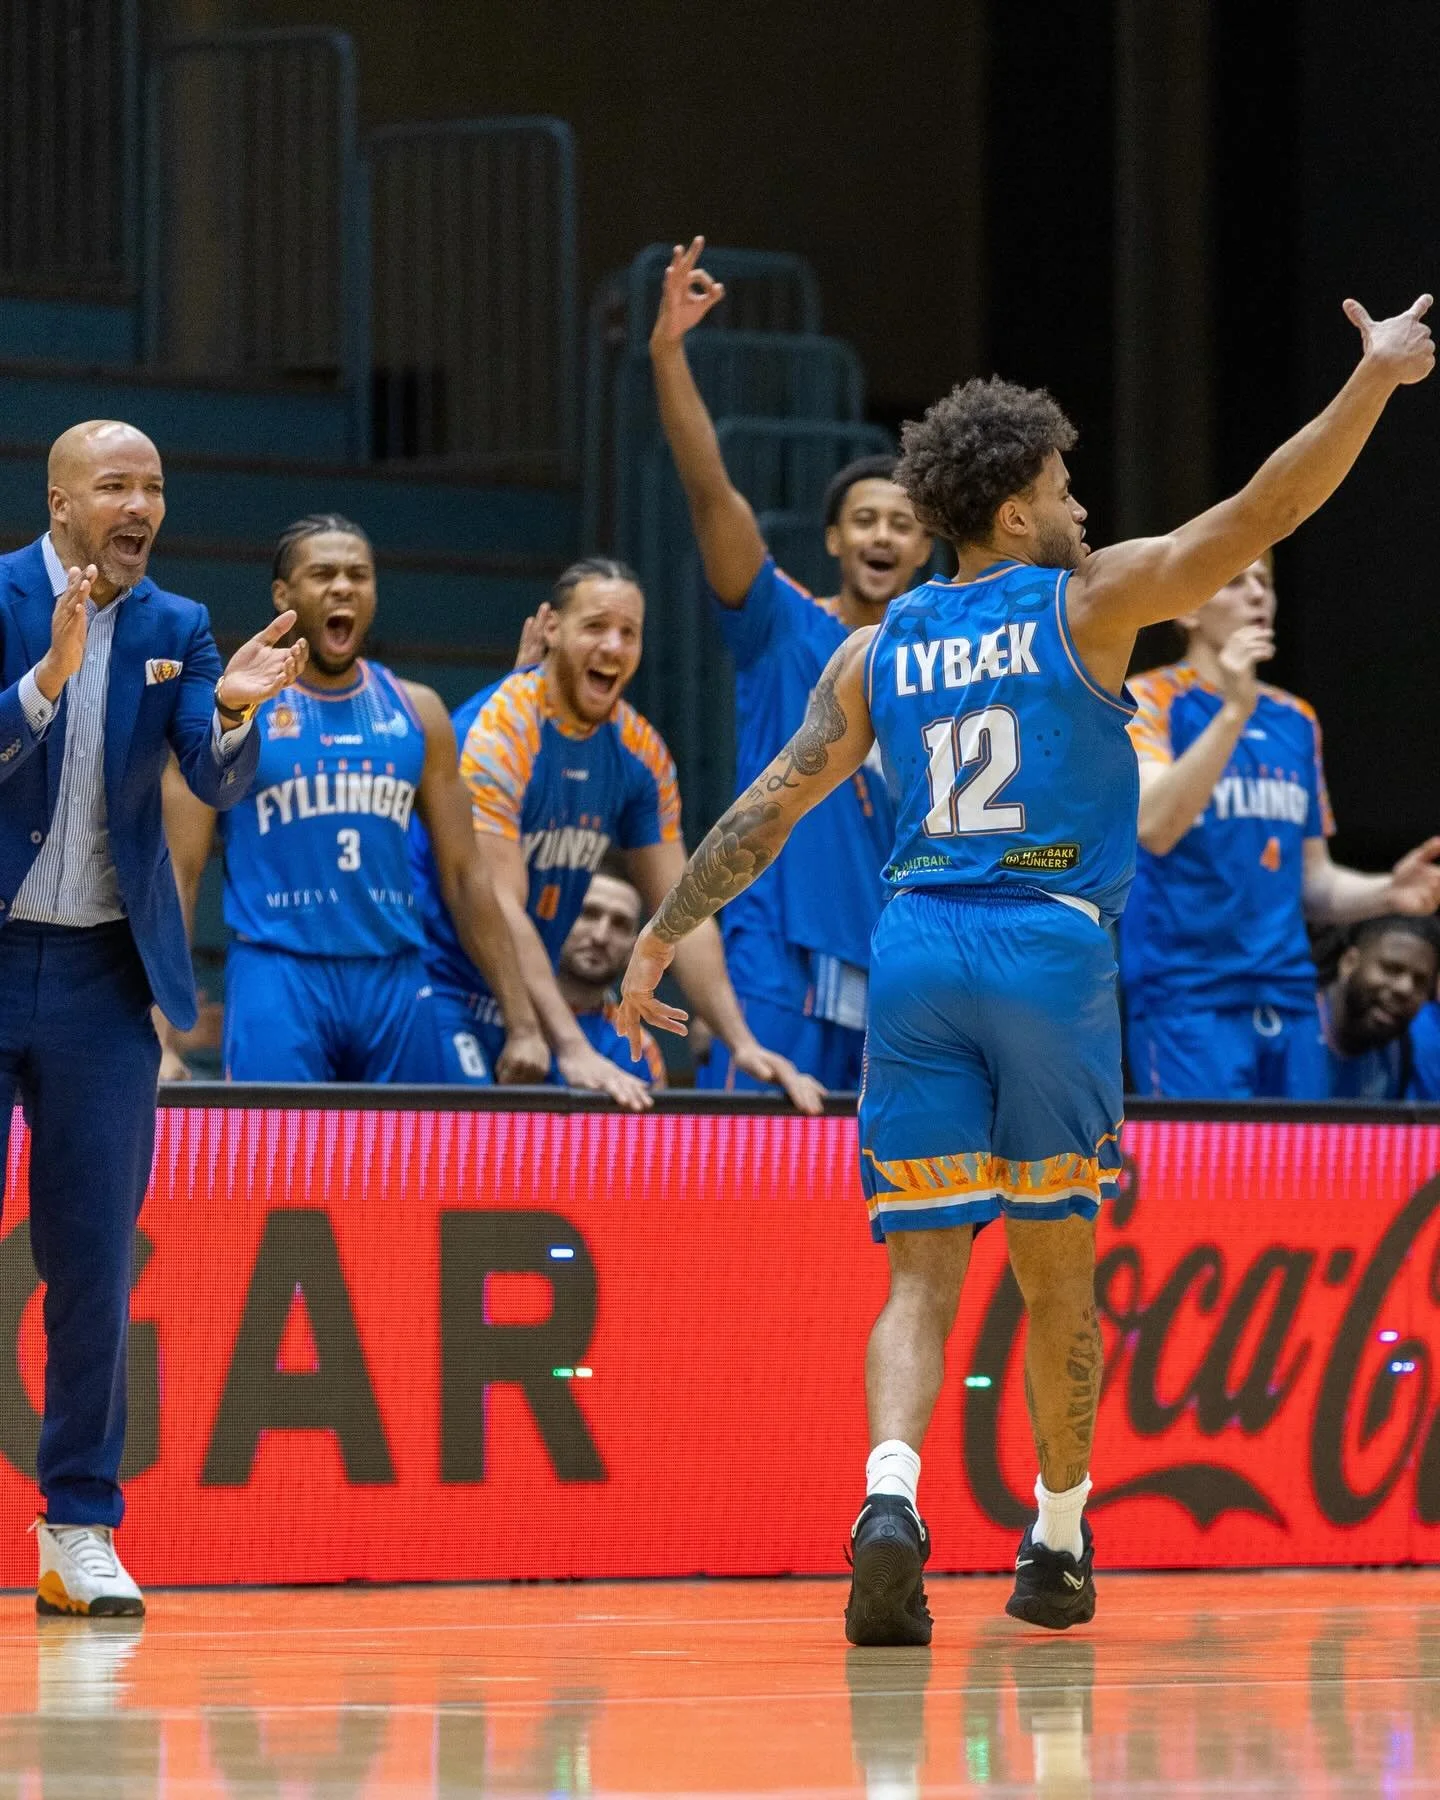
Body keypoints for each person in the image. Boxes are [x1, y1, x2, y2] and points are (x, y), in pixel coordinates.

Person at [617, 294, 1436, 1644]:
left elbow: (770, 804)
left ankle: (890, 1500)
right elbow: (1264, 512)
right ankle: (1056, 1540)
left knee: (918, 1274)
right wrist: (1377, 383)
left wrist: (661, 933)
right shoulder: (1089, 602)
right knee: (1057, 1274)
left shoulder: (878, 648)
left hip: (916, 950)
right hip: (1049, 945)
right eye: (1062, 486)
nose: (1080, 505)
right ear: (1011, 512)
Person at [0, 419, 305, 1615]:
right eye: (117, 486)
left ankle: (78, 1528)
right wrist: (46, 682)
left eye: (157, 488)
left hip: (103, 980)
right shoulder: (3, 599)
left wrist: (230, 713)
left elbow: (217, 780)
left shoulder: (180, 628)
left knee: (92, 1265)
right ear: (60, 500)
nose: (142, 507)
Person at [651, 238, 932, 1089]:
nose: (883, 535)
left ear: (925, 549)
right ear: (834, 539)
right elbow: (711, 493)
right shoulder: (782, 625)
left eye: (903, 524)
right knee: (747, 1168)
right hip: (779, 954)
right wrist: (668, 353)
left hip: (899, 970)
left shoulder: (945, 668)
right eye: (866, 520)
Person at [411, 555, 822, 1113]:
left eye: (629, 633)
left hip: (533, 1002)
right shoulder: (498, 734)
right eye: (595, 626)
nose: (613, 646)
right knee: (441, 1159)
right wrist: (569, 1045)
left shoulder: (640, 753)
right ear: (551, 629)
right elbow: (500, 905)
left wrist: (740, 1041)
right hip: (442, 984)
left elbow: (684, 908)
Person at [161, 515, 547, 1085]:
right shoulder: (233, 710)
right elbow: (179, 873)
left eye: (358, 575)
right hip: (279, 971)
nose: (343, 586)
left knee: (406, 1148)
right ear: (282, 595)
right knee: (277, 1146)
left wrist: (523, 1023)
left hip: (395, 976)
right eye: (323, 574)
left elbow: (466, 875)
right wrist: (162, 1037)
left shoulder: (418, 711)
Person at [1122, 557, 1440, 1098]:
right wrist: (1233, 712)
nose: (1258, 597)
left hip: (1290, 996)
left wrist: (1388, 892)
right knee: (1205, 1159)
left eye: (1264, 584)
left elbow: (1313, 882)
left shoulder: (1297, 719)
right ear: (1188, 607)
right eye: (1234, 581)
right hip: (1187, 997)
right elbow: (1154, 825)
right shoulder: (1145, 700)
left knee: (1298, 1157)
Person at [555, 864, 667, 1087]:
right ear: (558, 920)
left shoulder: (640, 1049)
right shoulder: (508, 1017)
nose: (600, 936)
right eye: (588, 914)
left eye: (620, 924)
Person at [1314, 916, 1440, 1099]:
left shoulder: (1398, 1052)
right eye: (1391, 969)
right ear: (1349, 962)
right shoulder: (1285, 1031)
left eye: (1420, 982)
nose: (1405, 988)